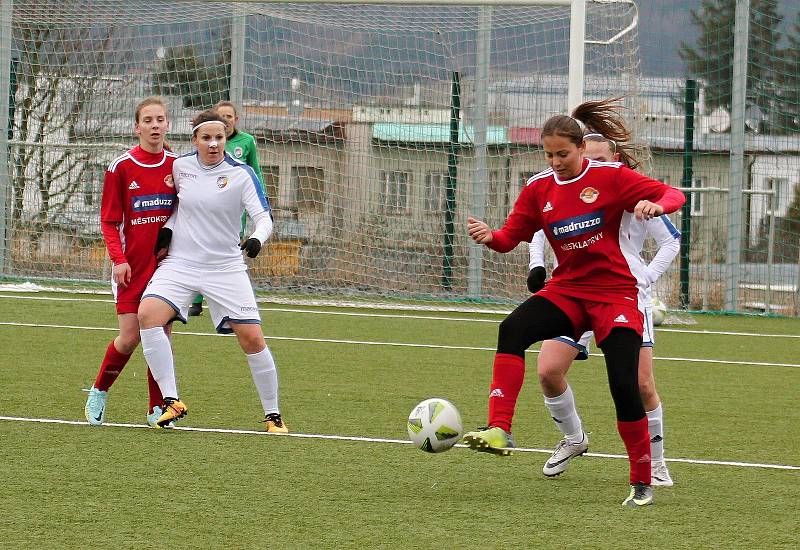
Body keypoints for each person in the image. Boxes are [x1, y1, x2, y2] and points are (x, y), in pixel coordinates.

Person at [463, 98, 685, 507]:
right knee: (512, 330)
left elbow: (673, 194)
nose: (555, 161)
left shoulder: (612, 176)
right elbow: (513, 236)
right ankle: (500, 429)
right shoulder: (538, 188)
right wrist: (490, 237)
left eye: (562, 154)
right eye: (548, 154)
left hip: (616, 294)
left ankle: (642, 480)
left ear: (581, 148)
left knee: (625, 385)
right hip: (568, 292)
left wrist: (659, 204)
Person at [527, 133, 679, 487]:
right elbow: (537, 228)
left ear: (615, 160)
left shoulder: (633, 193)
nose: (592, 165)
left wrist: (646, 279)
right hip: (575, 293)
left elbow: (671, 240)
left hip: (623, 298)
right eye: (588, 157)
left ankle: (655, 463)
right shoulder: (562, 187)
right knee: (549, 370)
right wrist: (536, 265)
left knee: (640, 384)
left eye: (601, 159)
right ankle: (574, 438)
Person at [137, 109, 288, 433]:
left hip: (225, 266)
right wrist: (168, 226)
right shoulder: (181, 167)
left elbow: (263, 217)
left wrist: (256, 239)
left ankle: (273, 416)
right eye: (206, 137)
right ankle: (171, 400)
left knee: (252, 339)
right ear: (195, 140)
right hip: (182, 262)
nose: (214, 143)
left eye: (219, 137)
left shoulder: (241, 173)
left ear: (226, 139)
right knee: (148, 314)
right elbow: (179, 207)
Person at [84, 96, 180, 428]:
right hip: (131, 266)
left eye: (161, 119)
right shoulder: (121, 166)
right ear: (136, 127)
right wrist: (118, 259)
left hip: (166, 268)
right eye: (148, 120)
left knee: (161, 335)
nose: (155, 125)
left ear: (168, 124)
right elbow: (109, 221)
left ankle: (158, 408)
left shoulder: (177, 165)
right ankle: (99, 389)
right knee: (129, 337)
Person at [188, 100, 264, 317]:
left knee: (229, 247)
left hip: (232, 208)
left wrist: (261, 197)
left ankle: (228, 298)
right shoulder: (200, 152)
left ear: (235, 120)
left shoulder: (246, 142)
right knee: (199, 246)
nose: (226, 120)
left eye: (229, 117)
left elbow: (255, 172)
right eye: (222, 116)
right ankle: (196, 299)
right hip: (205, 207)